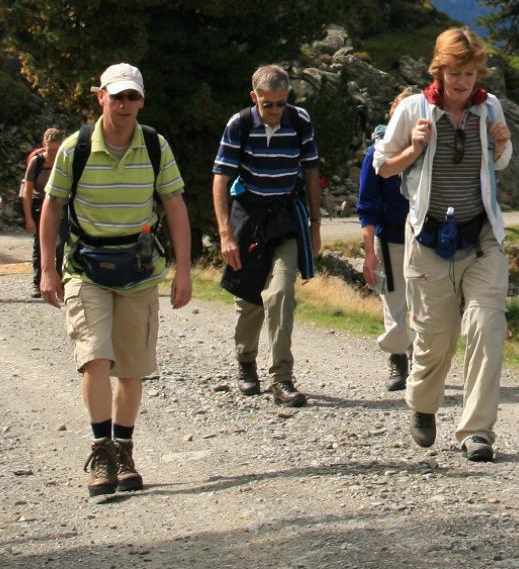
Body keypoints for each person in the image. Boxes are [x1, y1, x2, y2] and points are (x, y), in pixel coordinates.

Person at [37, 62, 191, 498]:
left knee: (131, 367)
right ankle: (101, 450)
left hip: (139, 270)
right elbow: (52, 208)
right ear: (100, 97)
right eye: (117, 96)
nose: (125, 105)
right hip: (86, 267)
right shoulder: (75, 148)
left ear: (141, 100)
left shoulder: (155, 146)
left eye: (133, 97)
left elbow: (175, 204)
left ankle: (124, 449)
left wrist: (184, 269)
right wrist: (48, 268)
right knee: (95, 358)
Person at [375, 28, 513, 462]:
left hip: (482, 237)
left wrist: (503, 144)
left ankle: (477, 431)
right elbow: (382, 167)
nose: (462, 82)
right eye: (455, 72)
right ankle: (422, 402)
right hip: (430, 239)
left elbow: (499, 165)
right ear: (439, 69)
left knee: (487, 328)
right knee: (437, 339)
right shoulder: (415, 110)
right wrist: (414, 148)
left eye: (470, 73)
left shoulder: (489, 108)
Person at [212, 65, 322, 406]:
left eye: (280, 103)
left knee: (281, 292)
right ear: (254, 98)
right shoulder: (239, 124)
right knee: (249, 300)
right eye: (267, 104)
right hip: (248, 216)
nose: (274, 111)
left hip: (285, 218)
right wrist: (225, 231)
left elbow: (312, 170)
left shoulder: (300, 121)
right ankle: (246, 363)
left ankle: (282, 378)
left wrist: (315, 224)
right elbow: (220, 176)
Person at [357, 88, 418, 392]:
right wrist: (370, 252)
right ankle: (398, 359)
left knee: (425, 303)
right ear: (394, 116)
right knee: (393, 301)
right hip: (391, 236)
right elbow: (368, 206)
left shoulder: (430, 150)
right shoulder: (377, 153)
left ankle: (422, 359)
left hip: (427, 239)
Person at [20, 126, 63, 299]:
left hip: (61, 205)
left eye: (56, 150)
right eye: (49, 149)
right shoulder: (36, 162)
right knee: (40, 245)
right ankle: (38, 282)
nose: (52, 153)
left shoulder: (64, 161)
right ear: (43, 144)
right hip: (40, 205)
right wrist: (29, 218)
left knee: (61, 245)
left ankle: (59, 281)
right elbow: (27, 192)